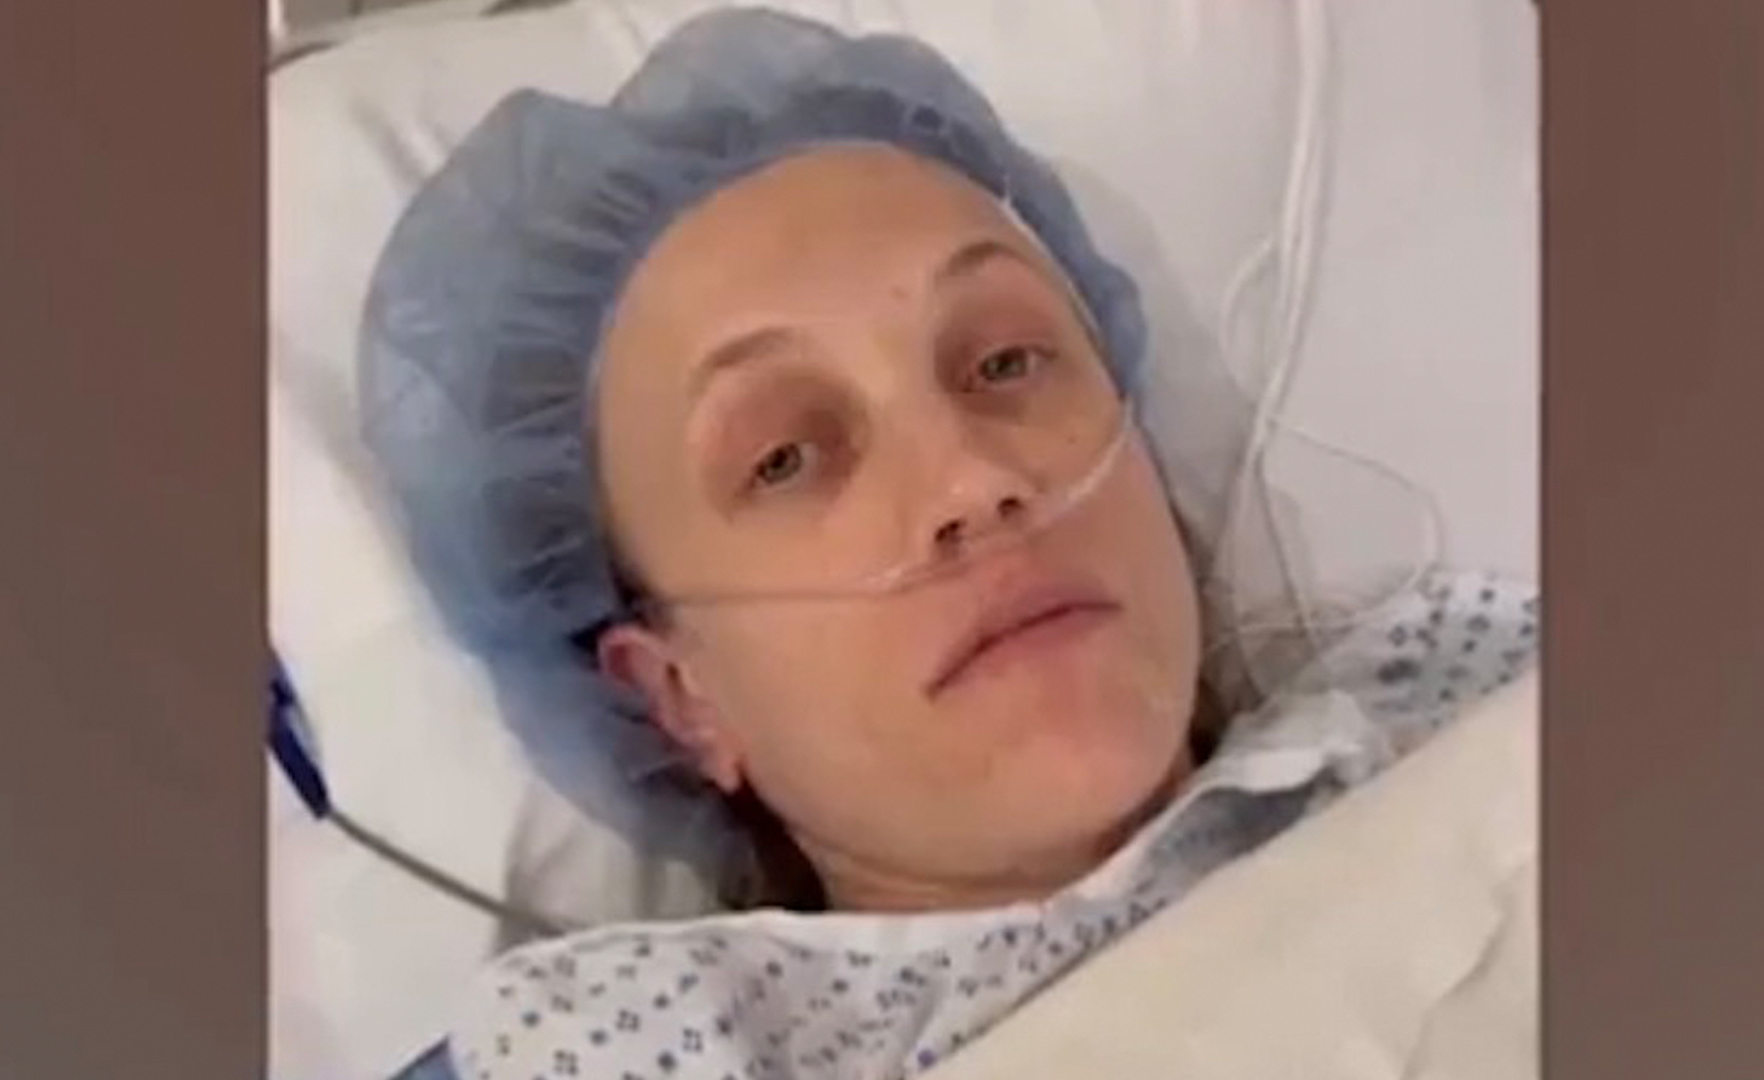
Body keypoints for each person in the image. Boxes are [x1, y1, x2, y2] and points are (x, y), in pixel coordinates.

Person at [360, 11, 1536, 1080]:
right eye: (786, 457)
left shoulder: (1460, 691)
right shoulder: (624, 1045)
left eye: (1006, 361)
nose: (976, 483)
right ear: (678, 697)